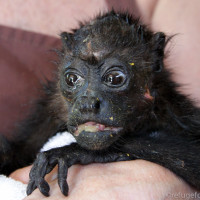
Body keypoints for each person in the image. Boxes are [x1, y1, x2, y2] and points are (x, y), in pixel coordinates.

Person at [0, 0, 200, 199]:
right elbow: (17, 156)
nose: (88, 103)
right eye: (73, 79)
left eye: (114, 79)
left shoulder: (168, 107)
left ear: (154, 61)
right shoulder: (58, 104)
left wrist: (109, 151)